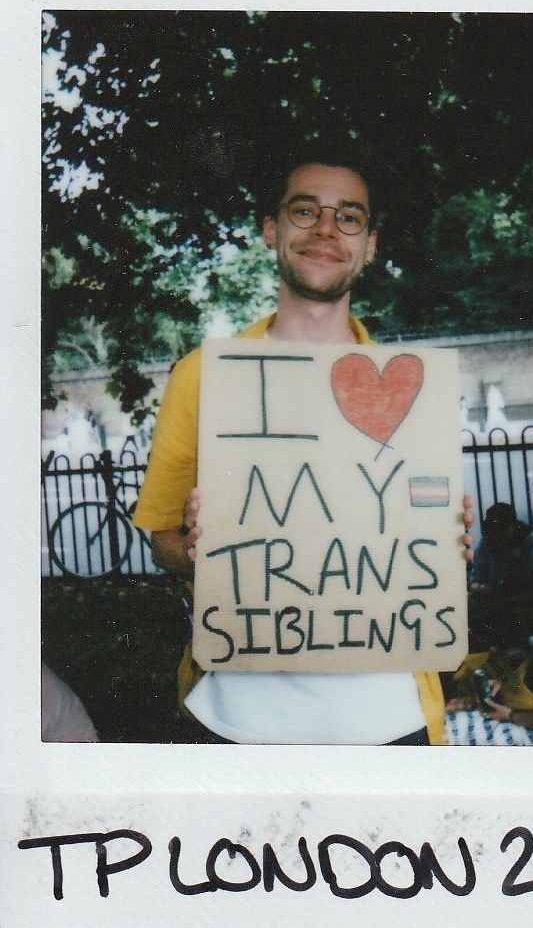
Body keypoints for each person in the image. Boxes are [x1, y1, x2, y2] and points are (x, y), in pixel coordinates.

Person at [133, 143, 473, 745]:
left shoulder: (412, 389)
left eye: (349, 217)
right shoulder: (203, 375)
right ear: (271, 230)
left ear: (370, 245)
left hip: (392, 723)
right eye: (304, 210)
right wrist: (190, 546)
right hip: (237, 721)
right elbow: (163, 539)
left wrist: (447, 542)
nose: (325, 230)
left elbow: (420, 528)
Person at [444, 554, 533, 746]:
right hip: (521, 707)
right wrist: (503, 682)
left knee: (447, 731)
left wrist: (511, 715)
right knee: (446, 711)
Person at [468, 502, 533, 651]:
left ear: (512, 527)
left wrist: (505, 601)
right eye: (493, 530)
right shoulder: (487, 543)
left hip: (528, 605)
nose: (496, 535)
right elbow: (476, 578)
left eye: (500, 530)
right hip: (495, 603)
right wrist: (479, 588)